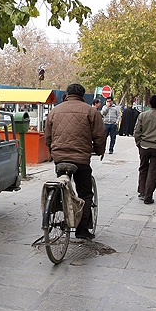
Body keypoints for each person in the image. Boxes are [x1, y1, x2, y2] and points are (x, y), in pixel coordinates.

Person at [45, 83, 106, 239]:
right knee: (85, 193)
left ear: (67, 94)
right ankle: (82, 230)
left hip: (60, 158)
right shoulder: (91, 111)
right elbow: (99, 136)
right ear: (83, 95)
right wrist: (99, 151)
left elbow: (48, 136)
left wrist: (53, 151)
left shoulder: (54, 111)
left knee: (61, 187)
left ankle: (58, 210)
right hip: (81, 159)